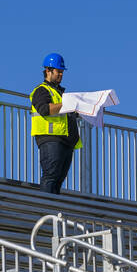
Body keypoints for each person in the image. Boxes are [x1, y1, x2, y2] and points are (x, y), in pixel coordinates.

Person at [30, 52, 81, 194]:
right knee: (50, 177)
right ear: (48, 71)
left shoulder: (60, 94)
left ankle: (53, 210)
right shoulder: (41, 90)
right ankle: (47, 209)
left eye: (62, 72)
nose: (61, 75)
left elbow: (67, 113)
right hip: (50, 139)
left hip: (66, 141)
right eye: (58, 71)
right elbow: (45, 109)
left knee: (58, 179)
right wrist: (66, 104)